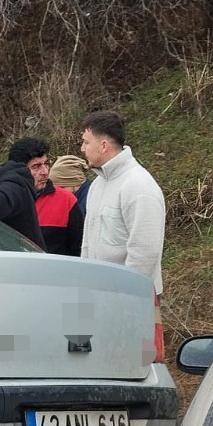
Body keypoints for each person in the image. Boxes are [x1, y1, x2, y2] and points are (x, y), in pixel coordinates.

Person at [78, 111, 165, 295]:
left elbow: (145, 252)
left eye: (86, 142)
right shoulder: (97, 185)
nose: (82, 149)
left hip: (132, 297)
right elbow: (88, 243)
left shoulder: (139, 187)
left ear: (104, 146)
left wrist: (124, 295)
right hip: (100, 294)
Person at [6, 136, 84, 256]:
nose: (45, 172)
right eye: (36, 166)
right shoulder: (3, 200)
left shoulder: (66, 200)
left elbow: (80, 250)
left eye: (46, 164)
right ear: (18, 170)